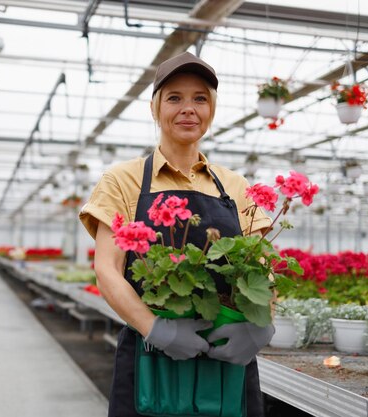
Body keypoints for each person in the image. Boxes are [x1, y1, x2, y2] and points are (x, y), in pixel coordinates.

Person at [79, 51, 274, 417]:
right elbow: (107, 269)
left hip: (227, 359)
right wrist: (156, 329)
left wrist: (261, 326)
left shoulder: (235, 185)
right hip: (151, 359)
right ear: (155, 109)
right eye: (174, 98)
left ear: (211, 110)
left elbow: (263, 266)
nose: (188, 109)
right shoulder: (123, 180)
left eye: (200, 98)